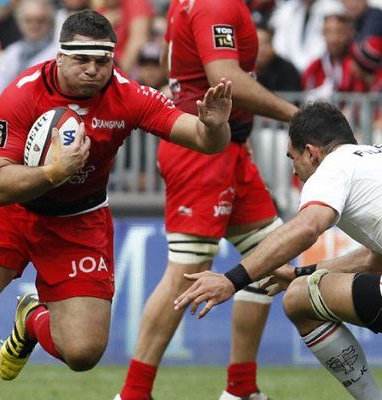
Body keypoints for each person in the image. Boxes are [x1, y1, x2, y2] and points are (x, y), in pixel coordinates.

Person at [0, 9, 233, 400]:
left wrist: (215, 126)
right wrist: (54, 172)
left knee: (83, 353)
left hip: (79, 219)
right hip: (13, 213)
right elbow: (1, 184)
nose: (93, 70)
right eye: (82, 60)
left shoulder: (129, 95)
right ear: (59, 57)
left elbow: (205, 141)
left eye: (102, 61)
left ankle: (32, 318)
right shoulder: (21, 93)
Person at [115, 1, 299, 400]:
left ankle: (240, 390)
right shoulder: (216, 3)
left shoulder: (190, 4)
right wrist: (296, 115)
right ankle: (132, 394)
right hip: (204, 151)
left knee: (269, 265)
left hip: (228, 148)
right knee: (186, 271)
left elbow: (173, 66)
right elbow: (225, 76)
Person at [175, 101, 382, 400]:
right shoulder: (371, 158)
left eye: (293, 158)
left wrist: (231, 280)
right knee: (299, 286)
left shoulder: (333, 168)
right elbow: (371, 258)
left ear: (312, 153)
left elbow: (307, 227)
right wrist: (299, 272)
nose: (294, 171)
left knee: (299, 298)